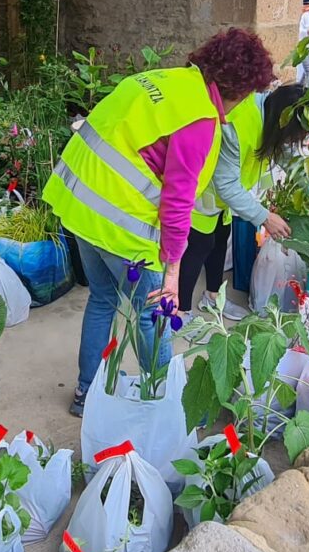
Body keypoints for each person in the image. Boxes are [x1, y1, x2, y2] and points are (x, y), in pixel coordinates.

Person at [43, 28, 276, 415]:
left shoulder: (161, 80)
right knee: (154, 317)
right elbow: (178, 202)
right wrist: (172, 272)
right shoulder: (200, 119)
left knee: (102, 299)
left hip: (80, 207)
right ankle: (164, 404)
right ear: (239, 88)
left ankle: (86, 393)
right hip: (122, 225)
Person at [180, 84, 309, 312]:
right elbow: (226, 185)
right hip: (200, 192)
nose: (295, 141)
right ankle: (180, 312)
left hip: (219, 201)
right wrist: (264, 217)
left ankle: (212, 298)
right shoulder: (237, 125)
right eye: (296, 135)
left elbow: (287, 157)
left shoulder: (271, 116)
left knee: (219, 242)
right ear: (283, 123)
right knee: (197, 249)